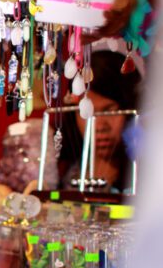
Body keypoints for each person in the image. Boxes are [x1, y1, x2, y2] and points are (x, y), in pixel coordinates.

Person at [59, 50, 141, 191]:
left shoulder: (152, 175)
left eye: (109, 111)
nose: (98, 125)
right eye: (86, 113)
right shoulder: (59, 170)